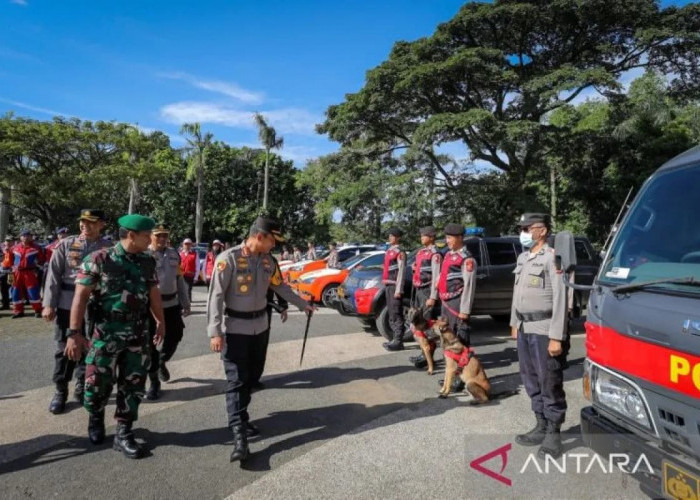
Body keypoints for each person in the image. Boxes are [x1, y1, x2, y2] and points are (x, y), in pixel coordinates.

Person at [207, 216, 313, 463]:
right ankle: (239, 437)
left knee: (251, 378)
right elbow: (215, 297)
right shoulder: (229, 259)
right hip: (235, 329)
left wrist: (302, 304)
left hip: (260, 328)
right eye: (272, 240)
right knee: (236, 381)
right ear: (260, 236)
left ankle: (241, 418)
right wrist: (215, 331)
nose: (274, 246)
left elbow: (280, 287)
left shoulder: (268, 262)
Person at [65, 214, 165, 459]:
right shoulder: (99, 259)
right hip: (105, 332)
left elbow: (153, 293)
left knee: (133, 384)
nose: (151, 240)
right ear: (131, 235)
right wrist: (74, 333)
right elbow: (80, 297)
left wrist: (160, 321)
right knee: (97, 382)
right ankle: (96, 418)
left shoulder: (147, 261)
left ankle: (124, 431)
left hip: (137, 334)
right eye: (146, 236)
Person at [510, 213, 568, 459]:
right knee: (530, 378)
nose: (523, 232)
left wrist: (557, 336)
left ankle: (554, 432)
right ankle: (541, 423)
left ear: (542, 230)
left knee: (549, 380)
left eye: (527, 228)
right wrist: (514, 322)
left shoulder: (552, 257)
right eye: (522, 228)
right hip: (525, 327)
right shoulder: (524, 257)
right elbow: (517, 292)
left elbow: (561, 298)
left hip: (545, 329)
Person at [42, 209, 110, 414]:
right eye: (82, 221)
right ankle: (60, 389)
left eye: (90, 222)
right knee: (64, 347)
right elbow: (53, 276)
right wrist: (49, 304)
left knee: (89, 346)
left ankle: (82, 383)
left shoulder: (108, 248)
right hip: (67, 303)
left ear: (101, 225)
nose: (84, 225)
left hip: (94, 304)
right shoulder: (65, 244)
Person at [145, 224, 191, 400]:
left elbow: (179, 280)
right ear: (151, 237)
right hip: (151, 306)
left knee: (176, 334)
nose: (162, 239)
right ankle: (154, 382)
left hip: (172, 304)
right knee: (149, 344)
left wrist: (185, 302)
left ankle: (161, 361)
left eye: (165, 235)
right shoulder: (145, 256)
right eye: (159, 236)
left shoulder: (173, 254)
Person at [408, 226, 442, 371]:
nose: (421, 238)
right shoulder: (422, 252)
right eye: (421, 235)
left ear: (432, 237)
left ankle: (428, 356)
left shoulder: (435, 254)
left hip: (428, 290)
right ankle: (423, 352)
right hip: (419, 289)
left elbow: (436, 277)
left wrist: (433, 297)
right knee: (419, 323)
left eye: (424, 236)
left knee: (426, 324)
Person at [381, 227, 406, 351]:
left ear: (398, 238)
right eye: (390, 236)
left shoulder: (399, 252)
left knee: (396, 312)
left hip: (395, 285)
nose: (390, 238)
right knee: (391, 312)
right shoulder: (389, 251)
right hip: (388, 285)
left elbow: (401, 271)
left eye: (393, 236)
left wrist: (398, 289)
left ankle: (398, 340)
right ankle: (394, 339)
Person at [10, 229, 45, 318]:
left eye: (28, 236)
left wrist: (37, 268)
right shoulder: (14, 247)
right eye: (24, 236)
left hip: (29, 272)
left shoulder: (36, 248)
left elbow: (41, 260)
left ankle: (38, 310)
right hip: (17, 272)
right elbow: (10, 259)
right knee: (15, 292)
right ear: (20, 237)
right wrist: (11, 268)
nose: (26, 237)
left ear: (30, 237)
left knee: (33, 292)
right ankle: (18, 311)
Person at [0, 235, 13, 310]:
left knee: (12, 287)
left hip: (11, 271)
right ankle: (5, 304)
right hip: (3, 271)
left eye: (9, 241)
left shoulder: (15, 249)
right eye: (6, 241)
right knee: (3, 288)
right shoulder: (2, 249)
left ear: (12, 242)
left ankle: (15, 303)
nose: (8, 242)